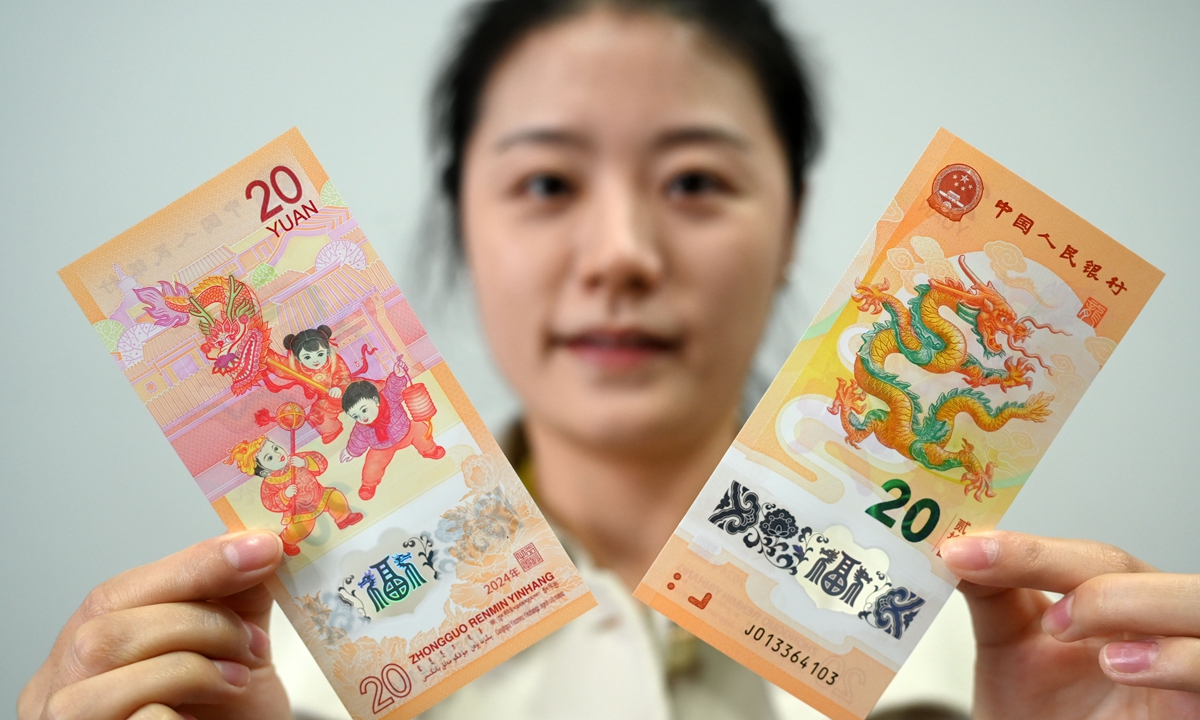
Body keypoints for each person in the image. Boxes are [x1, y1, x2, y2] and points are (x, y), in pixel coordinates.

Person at [18, 1, 1200, 719]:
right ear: (458, 223)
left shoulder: (1039, 680)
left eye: (696, 181)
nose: (622, 254)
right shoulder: (254, 690)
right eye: (544, 183)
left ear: (792, 223)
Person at [226, 437, 363, 557]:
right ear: (264, 471)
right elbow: (270, 502)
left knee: (335, 497)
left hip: (320, 494)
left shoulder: (296, 460)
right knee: (300, 530)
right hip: (299, 512)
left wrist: (305, 463)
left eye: (275, 448)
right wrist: (284, 495)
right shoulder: (270, 483)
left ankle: (344, 518)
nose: (277, 454)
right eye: (269, 457)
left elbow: (321, 463)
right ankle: (286, 541)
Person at [339, 358, 447, 501]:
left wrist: (398, 375)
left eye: (364, 410)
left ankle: (429, 450)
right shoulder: (361, 427)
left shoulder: (389, 399)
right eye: (356, 416)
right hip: (382, 447)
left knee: (420, 428)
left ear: (376, 401)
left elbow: (393, 387)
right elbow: (357, 440)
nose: (362, 417)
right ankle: (368, 485)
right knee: (372, 464)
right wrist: (351, 452)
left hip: (406, 432)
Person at [275, 325, 353, 444]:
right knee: (317, 416)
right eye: (307, 357)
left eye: (320, 354)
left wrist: (338, 387)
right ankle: (332, 430)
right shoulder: (297, 369)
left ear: (327, 351)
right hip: (325, 399)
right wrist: (265, 357)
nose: (315, 360)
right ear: (299, 359)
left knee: (365, 388)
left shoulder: (333, 360)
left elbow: (343, 374)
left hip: (347, 391)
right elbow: (277, 364)